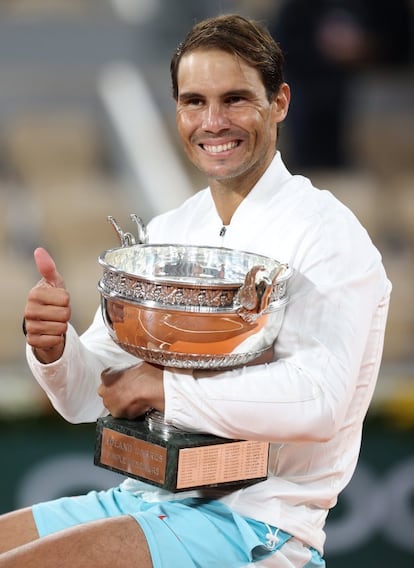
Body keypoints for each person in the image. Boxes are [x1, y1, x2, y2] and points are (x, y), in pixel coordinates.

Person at [0, 13, 391, 568]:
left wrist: (165, 387)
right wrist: (53, 347)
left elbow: (320, 402)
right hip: (142, 498)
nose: (213, 122)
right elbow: (90, 397)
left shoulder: (328, 232)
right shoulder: (170, 231)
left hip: (257, 524)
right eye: (193, 102)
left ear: (279, 102)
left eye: (235, 99)